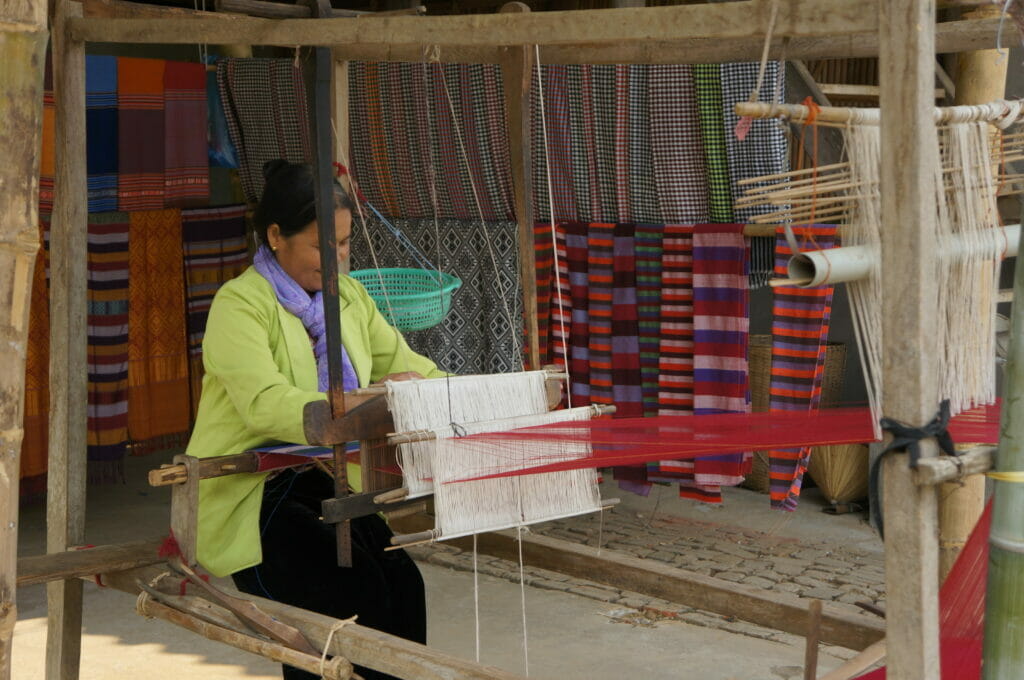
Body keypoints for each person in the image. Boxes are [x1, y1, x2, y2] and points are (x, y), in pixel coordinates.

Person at [185, 159, 447, 680]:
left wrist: (487, 396)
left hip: (330, 480)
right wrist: (368, 404)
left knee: (402, 586)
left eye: (345, 243)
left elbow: (411, 367)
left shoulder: (348, 298)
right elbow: (267, 402)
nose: (338, 259)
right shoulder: (239, 305)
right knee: (341, 603)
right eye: (322, 245)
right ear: (276, 235)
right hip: (253, 486)